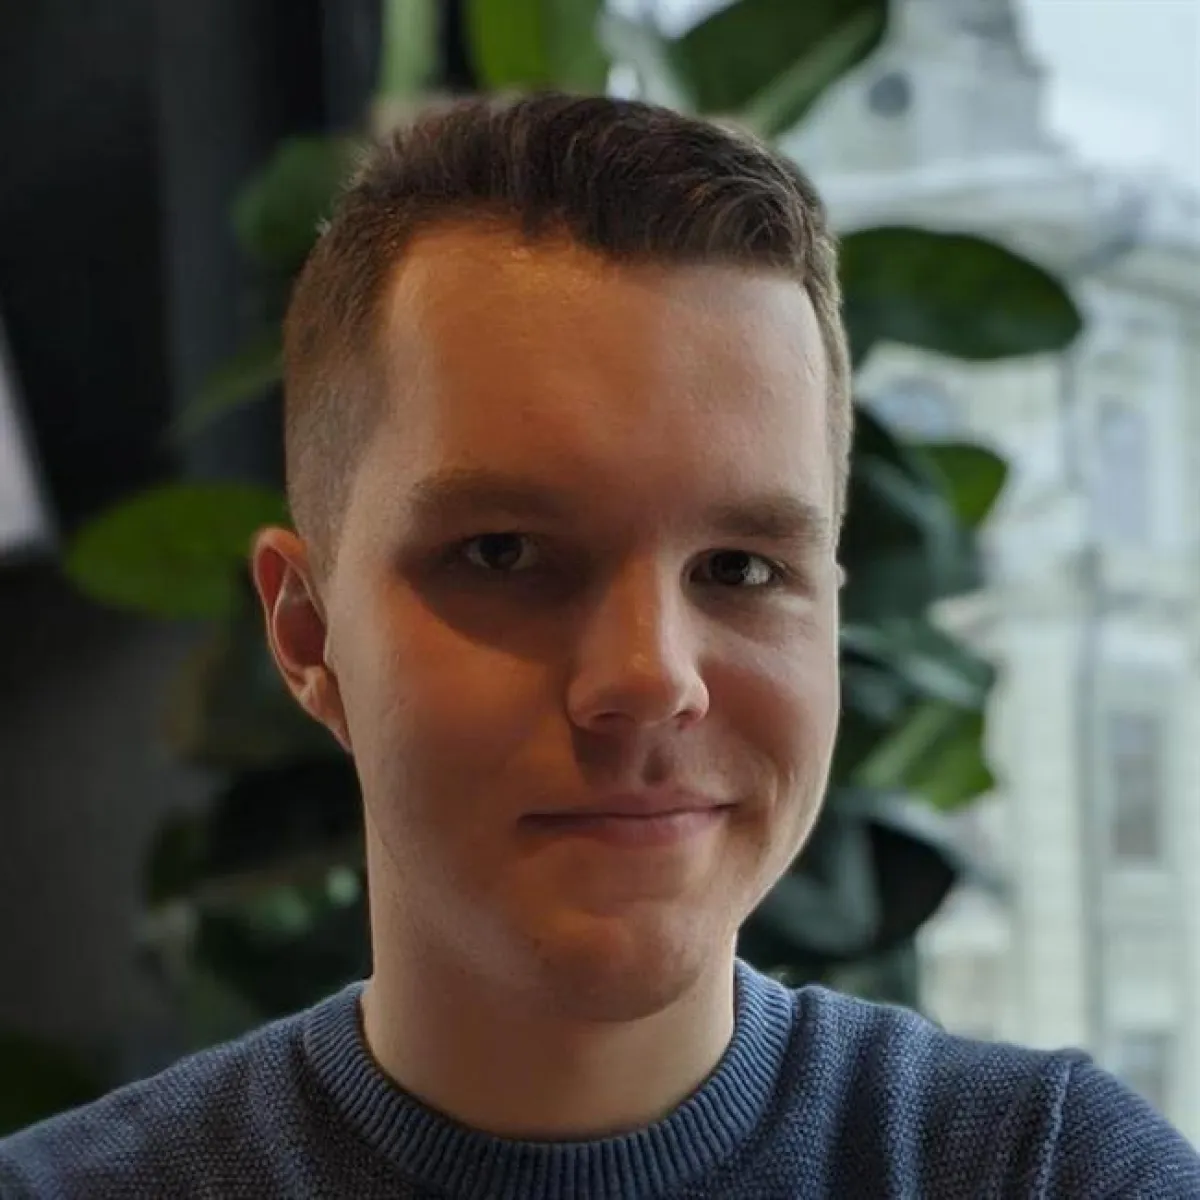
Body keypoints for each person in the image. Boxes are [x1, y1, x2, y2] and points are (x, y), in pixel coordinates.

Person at [1, 92, 1197, 1200]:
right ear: (308, 633)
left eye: (741, 568)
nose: (649, 677)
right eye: (505, 554)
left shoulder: (1051, 1172)